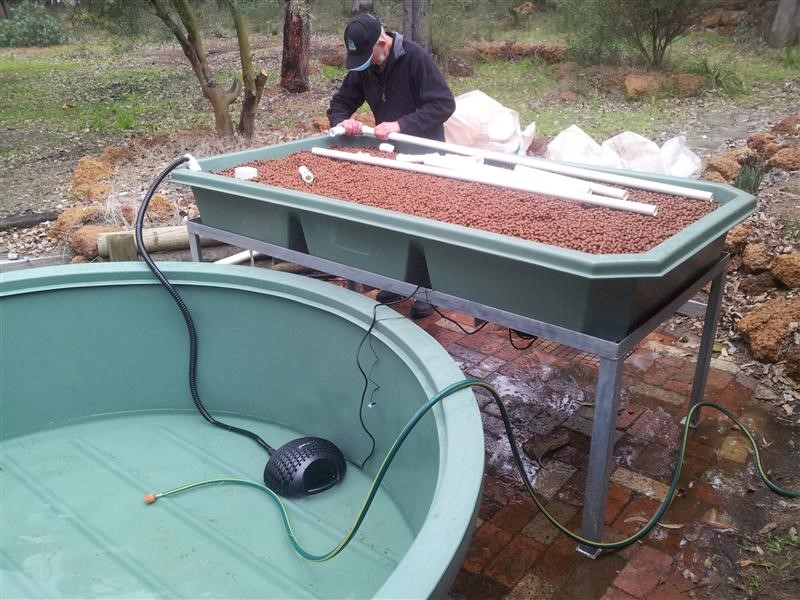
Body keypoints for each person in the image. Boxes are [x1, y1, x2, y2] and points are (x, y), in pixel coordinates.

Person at [327, 13, 456, 318]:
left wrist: (401, 124)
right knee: (393, 224)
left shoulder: (415, 58)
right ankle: (398, 283)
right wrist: (342, 121)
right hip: (389, 157)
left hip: (425, 156)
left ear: (382, 42)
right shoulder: (365, 67)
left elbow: (443, 104)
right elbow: (340, 102)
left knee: (424, 227)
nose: (363, 62)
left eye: (366, 55)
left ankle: (428, 291)